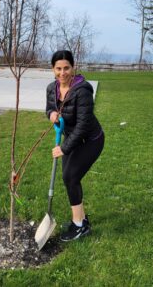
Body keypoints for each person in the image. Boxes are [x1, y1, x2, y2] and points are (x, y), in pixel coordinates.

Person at [46, 50, 104, 242]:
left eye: (66, 68)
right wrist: (51, 114)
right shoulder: (51, 88)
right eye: (58, 69)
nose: (62, 73)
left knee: (70, 176)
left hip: (91, 140)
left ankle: (79, 226)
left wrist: (64, 148)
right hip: (72, 138)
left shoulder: (83, 90)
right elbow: (49, 108)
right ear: (53, 69)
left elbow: (83, 125)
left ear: (73, 67)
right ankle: (82, 220)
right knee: (69, 177)